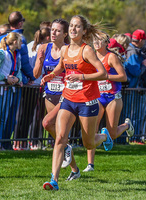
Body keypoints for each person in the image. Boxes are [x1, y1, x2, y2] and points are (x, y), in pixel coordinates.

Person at [42, 15, 112, 190]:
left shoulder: (86, 50)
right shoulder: (65, 50)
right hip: (68, 99)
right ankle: (54, 180)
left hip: (87, 101)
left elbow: (103, 73)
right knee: (60, 138)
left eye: (77, 27)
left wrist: (81, 76)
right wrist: (52, 75)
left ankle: (103, 136)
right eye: (71, 26)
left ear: (84, 31)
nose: (73, 29)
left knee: (88, 143)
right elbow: (61, 66)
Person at [83, 34, 134, 172]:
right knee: (92, 130)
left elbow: (123, 77)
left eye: (100, 40)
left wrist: (105, 76)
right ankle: (90, 164)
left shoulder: (111, 57)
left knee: (111, 133)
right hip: (98, 97)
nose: (96, 43)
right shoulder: (91, 57)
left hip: (113, 97)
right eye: (94, 40)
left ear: (106, 43)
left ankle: (126, 125)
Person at [35, 19, 75, 168]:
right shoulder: (44, 48)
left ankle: (65, 150)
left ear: (65, 34)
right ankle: (74, 168)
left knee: (47, 123)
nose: (53, 33)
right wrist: (39, 62)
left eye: (58, 31)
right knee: (58, 134)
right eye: (52, 29)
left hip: (65, 95)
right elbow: (35, 74)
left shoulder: (69, 49)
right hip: (50, 93)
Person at [0, 32, 23, 151]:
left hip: (10, 89)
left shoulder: (17, 55)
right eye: (20, 41)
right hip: (0, 89)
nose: (21, 44)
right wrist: (6, 78)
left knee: (4, 118)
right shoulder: (2, 54)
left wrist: (17, 79)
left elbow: (18, 71)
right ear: (14, 42)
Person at [0, 11, 35, 85]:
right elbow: (24, 63)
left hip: (5, 80)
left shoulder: (1, 38)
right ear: (20, 23)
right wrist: (32, 77)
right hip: (14, 81)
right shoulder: (20, 38)